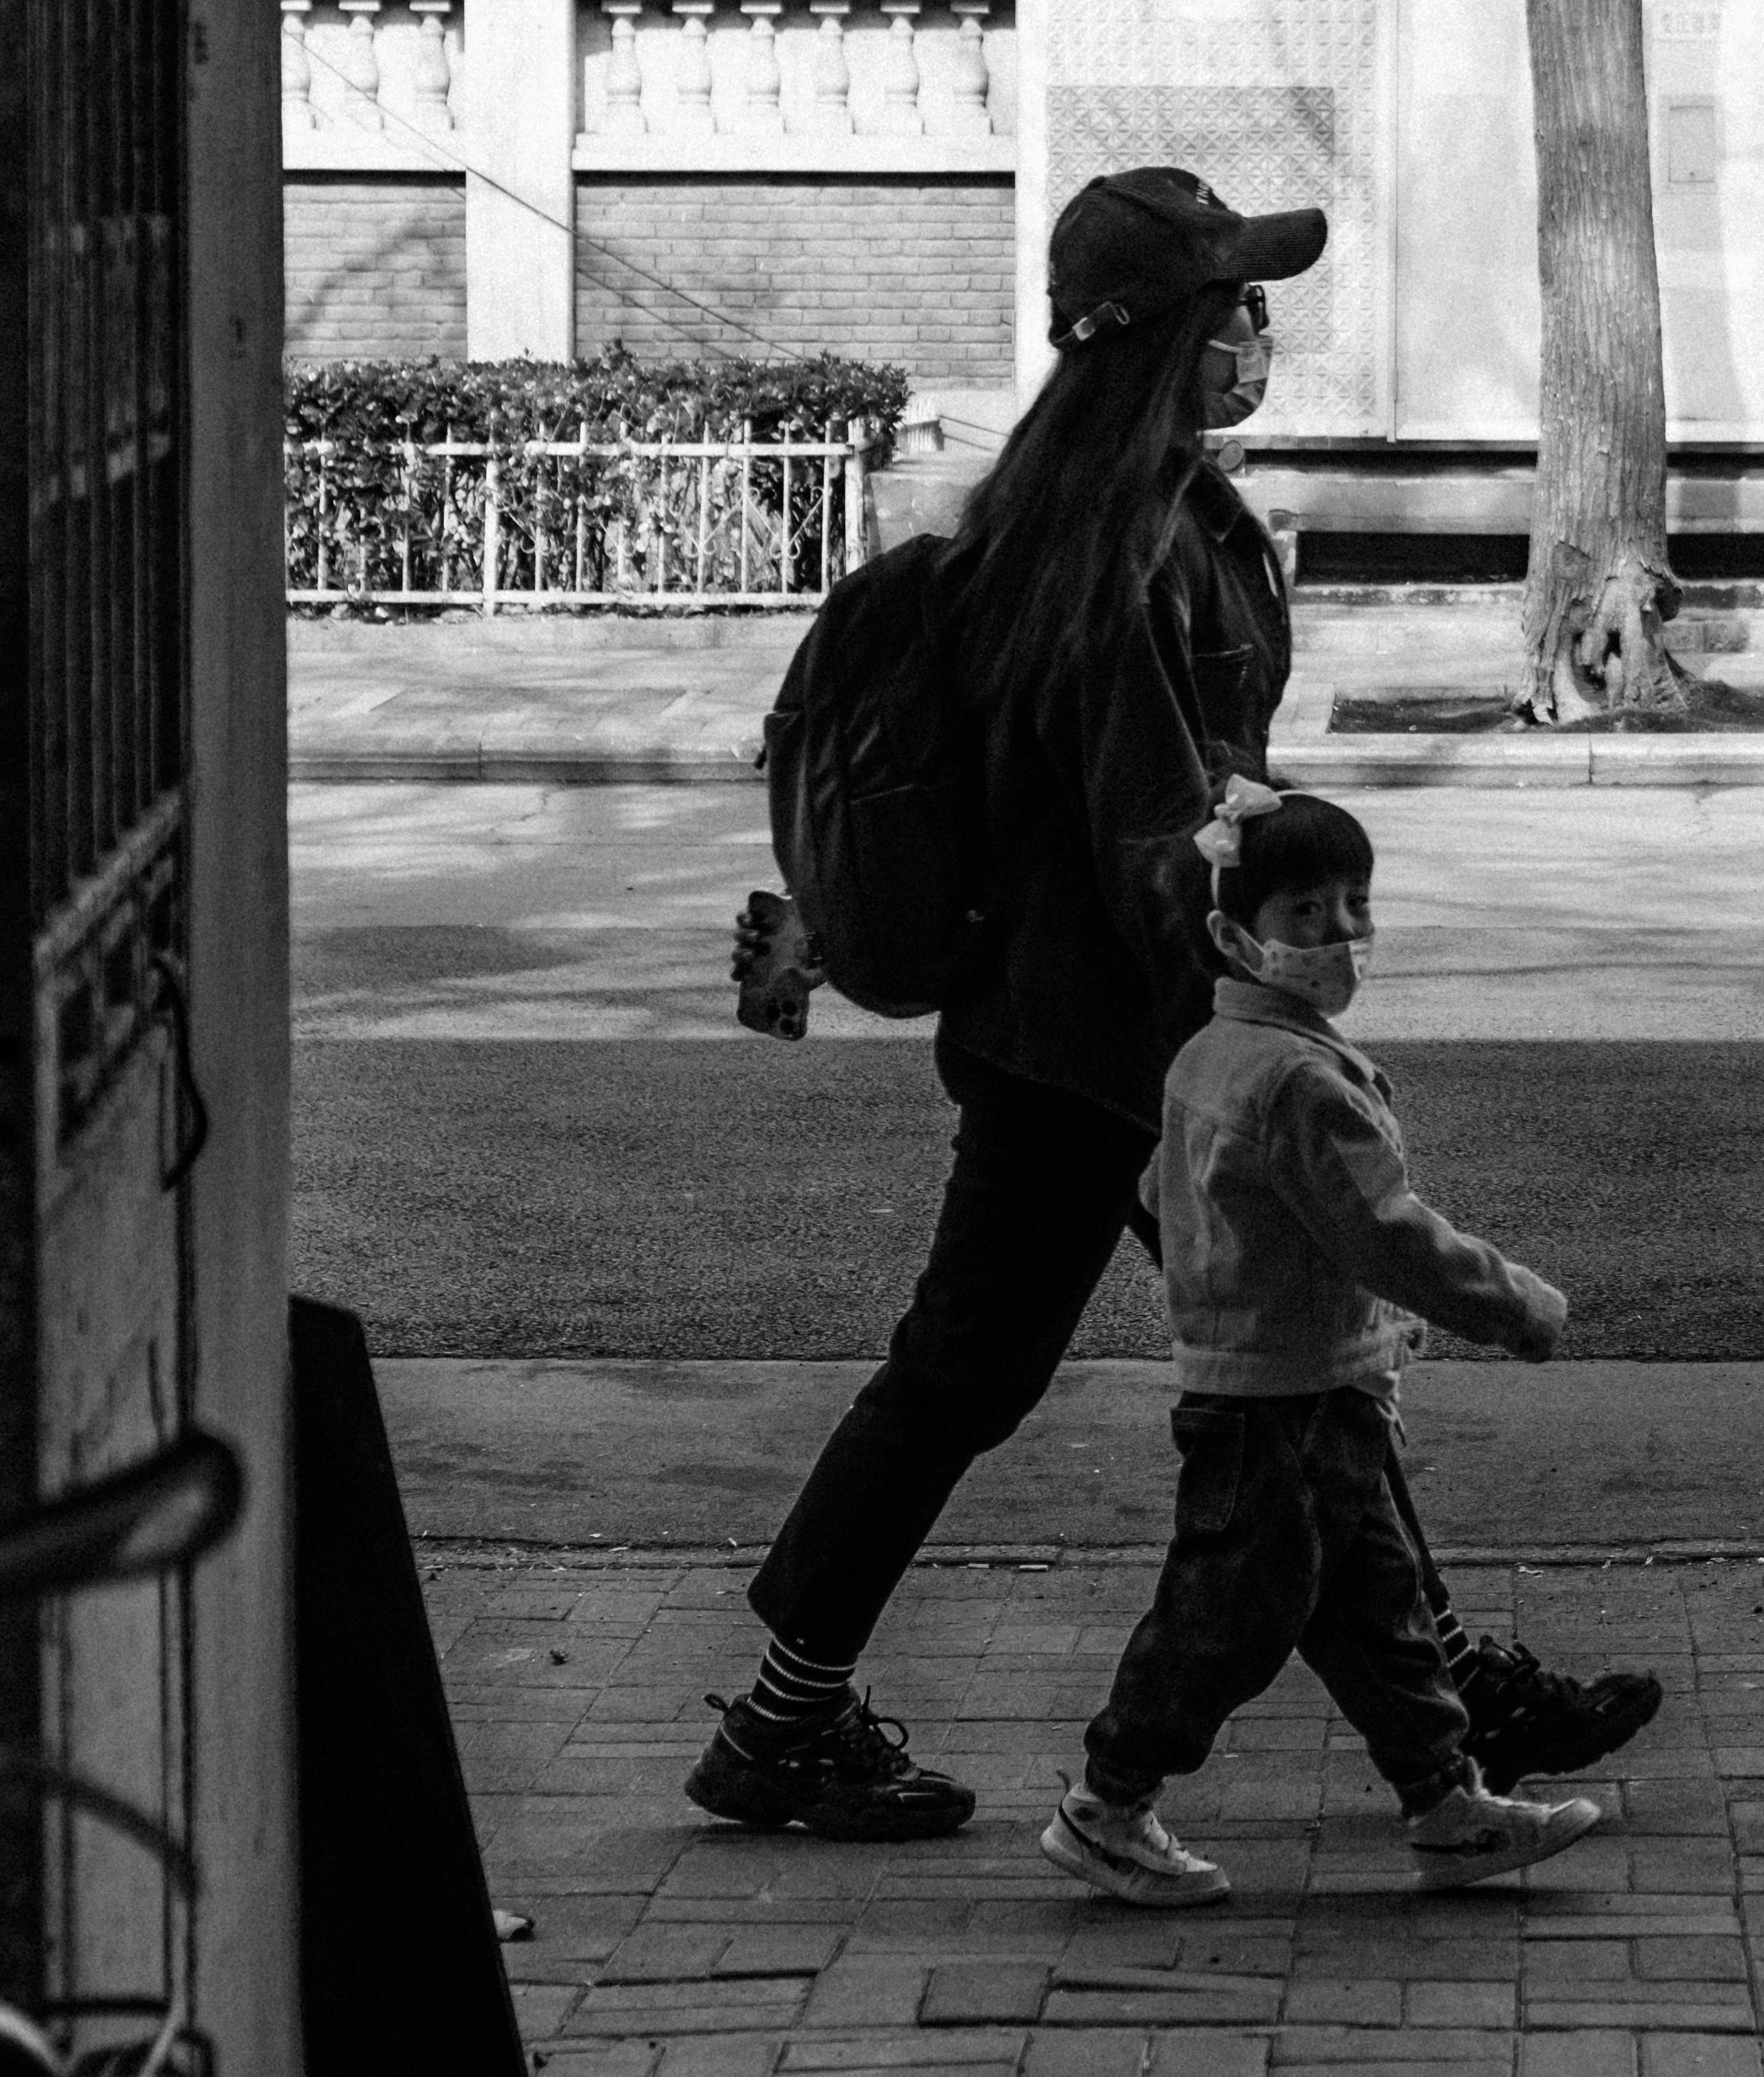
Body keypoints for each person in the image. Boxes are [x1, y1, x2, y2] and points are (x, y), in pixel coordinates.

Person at [690, 168, 1660, 1839]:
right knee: (1024, 1374)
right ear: (1157, 340)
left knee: (1290, 1372)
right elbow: (1159, 828)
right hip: (1121, 1053)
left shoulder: (1132, 515)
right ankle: (787, 1718)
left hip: (1103, 1043)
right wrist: (1278, 964)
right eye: (1238, 311)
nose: (1263, 338)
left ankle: (1444, 1704)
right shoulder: (1118, 542)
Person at [1040, 790, 1605, 1909]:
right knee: (1225, 1619)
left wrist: (1219, 1269)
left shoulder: (1214, 1052)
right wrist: (1514, 1306)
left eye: (1354, 904)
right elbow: (1381, 1228)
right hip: (1281, 1400)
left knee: (1377, 1611)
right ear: (1235, 932)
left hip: (1298, 1382)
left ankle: (1444, 1800)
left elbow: (1162, 1189)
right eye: (1308, 911)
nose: (1341, 933)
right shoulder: (1297, 1075)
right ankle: (1107, 1802)